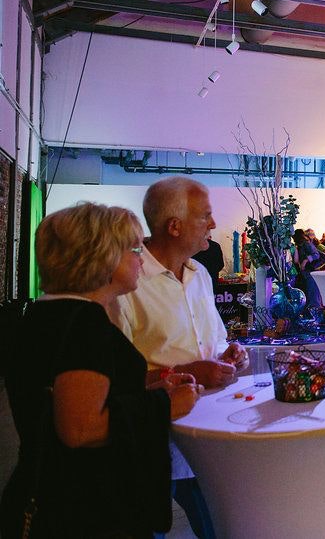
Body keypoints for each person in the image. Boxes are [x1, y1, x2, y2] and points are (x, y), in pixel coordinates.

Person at [1, 203, 200, 538]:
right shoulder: (84, 323)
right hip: (84, 508)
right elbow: (79, 429)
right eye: (135, 250)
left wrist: (154, 385)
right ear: (102, 256)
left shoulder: (45, 315)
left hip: (47, 492)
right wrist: (166, 405)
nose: (141, 260)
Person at [115, 176, 249, 539]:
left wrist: (230, 356)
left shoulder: (200, 274)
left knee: (221, 526)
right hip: (153, 438)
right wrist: (191, 372)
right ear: (174, 226)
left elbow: (215, 341)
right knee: (142, 526)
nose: (214, 224)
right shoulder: (127, 282)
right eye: (205, 215)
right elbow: (113, 377)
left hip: (207, 432)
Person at [292, 229, 324, 310]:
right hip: (305, 272)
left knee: (312, 291)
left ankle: (315, 310)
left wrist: (306, 260)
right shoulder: (299, 246)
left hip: (310, 271)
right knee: (309, 291)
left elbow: (316, 254)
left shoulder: (306, 244)